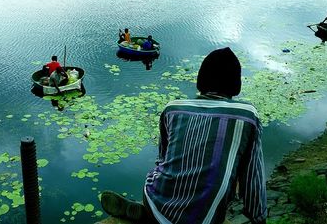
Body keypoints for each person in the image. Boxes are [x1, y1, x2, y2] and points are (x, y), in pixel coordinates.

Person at [100, 47, 267, 224]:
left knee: (161, 177)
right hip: (206, 216)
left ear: (201, 80)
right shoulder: (247, 116)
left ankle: (148, 214)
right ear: (236, 84)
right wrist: (258, 217)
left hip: (157, 198)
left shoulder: (172, 109)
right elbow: (252, 178)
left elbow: (163, 159)